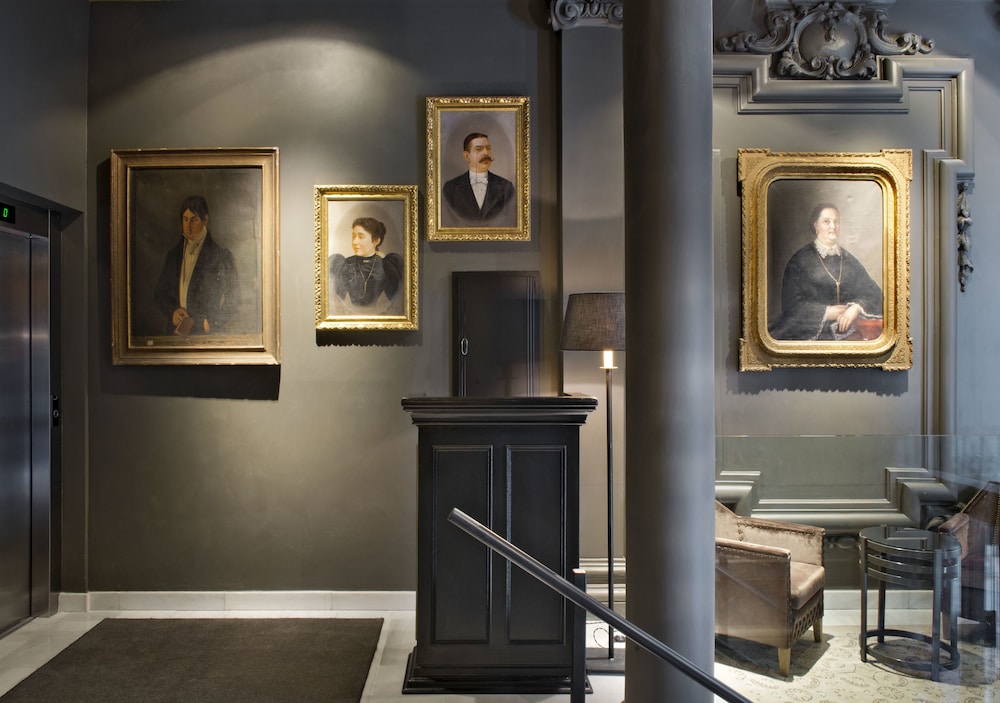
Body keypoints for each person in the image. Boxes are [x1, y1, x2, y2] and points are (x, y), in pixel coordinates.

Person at [768, 203, 883, 341]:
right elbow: (791, 305)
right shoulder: (800, 260)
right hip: (809, 331)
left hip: (846, 329)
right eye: (826, 222)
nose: (833, 226)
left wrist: (856, 308)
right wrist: (827, 312)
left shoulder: (849, 260)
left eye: (836, 222)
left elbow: (873, 292)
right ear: (816, 225)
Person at [153, 195, 240, 336]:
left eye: (194, 220)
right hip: (175, 335)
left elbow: (234, 299)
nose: (188, 226)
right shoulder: (173, 255)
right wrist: (172, 312)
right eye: (185, 219)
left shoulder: (221, 256)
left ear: (205, 220)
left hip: (205, 335)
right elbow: (160, 293)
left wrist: (212, 323)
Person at [328, 216, 404, 314]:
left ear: (376, 241)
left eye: (361, 237)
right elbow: (334, 301)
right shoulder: (344, 264)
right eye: (353, 236)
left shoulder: (386, 266)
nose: (355, 242)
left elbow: (396, 301)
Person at [441, 132, 516, 227]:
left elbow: (511, 221)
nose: (486, 153)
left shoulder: (506, 187)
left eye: (488, 148)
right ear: (467, 156)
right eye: (479, 149)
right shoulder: (451, 188)